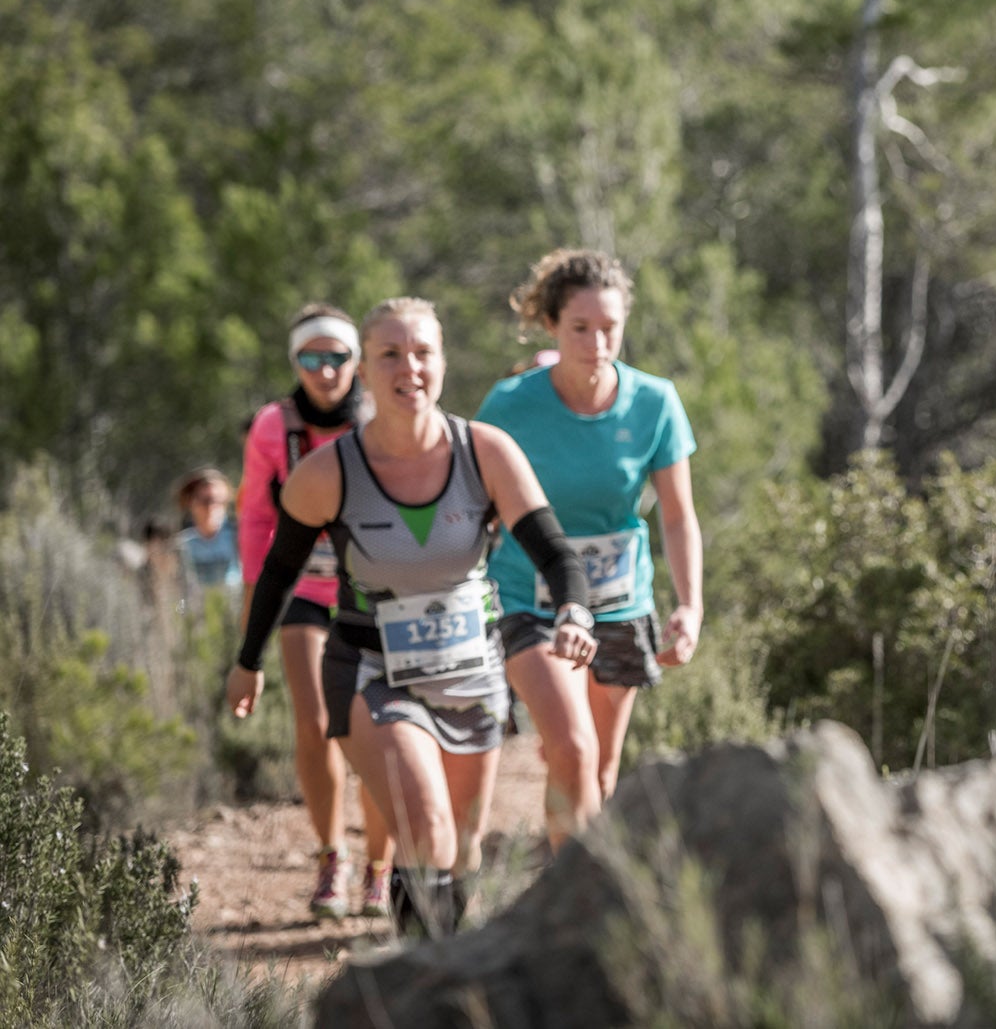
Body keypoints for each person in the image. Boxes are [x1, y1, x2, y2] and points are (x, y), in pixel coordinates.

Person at [227, 297, 598, 938]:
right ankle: (423, 986)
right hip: (371, 670)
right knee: (424, 826)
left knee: (462, 846)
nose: (410, 368)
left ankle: (442, 966)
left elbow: (555, 550)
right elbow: (278, 571)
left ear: (443, 363)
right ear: (365, 372)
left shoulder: (486, 452)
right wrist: (248, 660)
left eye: (423, 352)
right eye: (390, 354)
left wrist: (574, 611)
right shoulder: (327, 473)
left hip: (472, 672)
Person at [476, 249, 703, 848]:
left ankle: (579, 889)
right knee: (570, 747)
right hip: (528, 595)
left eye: (610, 328)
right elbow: (475, 506)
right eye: (581, 328)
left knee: (599, 770)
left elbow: (677, 516)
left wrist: (690, 604)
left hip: (618, 600)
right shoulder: (510, 405)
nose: (598, 343)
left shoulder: (654, 402)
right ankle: (565, 907)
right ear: (551, 325)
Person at [237, 304, 396, 921]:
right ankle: (332, 855)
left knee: (378, 730)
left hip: (376, 591)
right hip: (303, 588)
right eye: (311, 357)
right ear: (295, 362)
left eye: (337, 357)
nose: (325, 370)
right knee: (315, 720)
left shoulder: (380, 416)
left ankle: (380, 868)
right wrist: (255, 609)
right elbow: (254, 518)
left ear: (355, 361)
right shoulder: (272, 426)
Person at [174, 468, 241, 593]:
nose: (212, 508)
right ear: (191, 503)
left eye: (219, 501)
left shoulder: (240, 538)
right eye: (206, 501)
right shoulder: (180, 545)